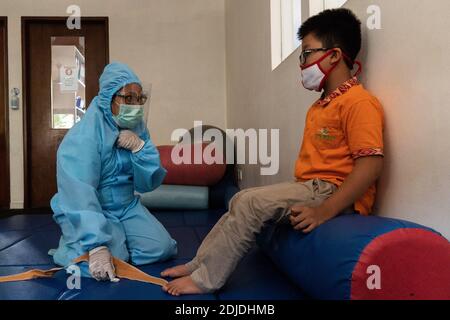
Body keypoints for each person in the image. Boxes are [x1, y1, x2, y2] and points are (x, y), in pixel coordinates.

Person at [161, 8, 384, 296]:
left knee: (251, 204)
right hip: (310, 187)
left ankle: (206, 279)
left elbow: (370, 166)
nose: (302, 64)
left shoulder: (359, 102)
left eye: (306, 54)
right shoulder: (321, 105)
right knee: (242, 198)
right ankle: (199, 263)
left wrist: (324, 211)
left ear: (334, 55)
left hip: (331, 192)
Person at [50, 62, 177, 281]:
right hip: (91, 207)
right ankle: (73, 248)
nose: (135, 106)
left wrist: (140, 149)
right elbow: (80, 192)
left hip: (127, 206)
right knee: (108, 263)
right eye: (128, 98)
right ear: (108, 97)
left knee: (161, 248)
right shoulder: (83, 137)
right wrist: (97, 245)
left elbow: (148, 184)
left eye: (139, 99)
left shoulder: (137, 128)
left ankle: (117, 240)